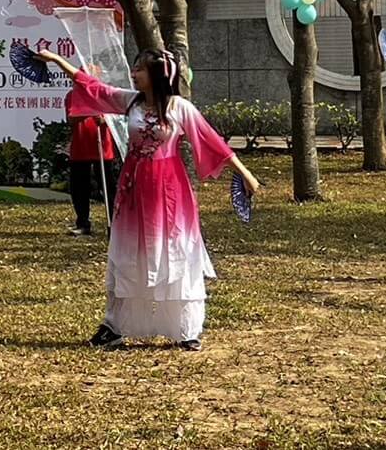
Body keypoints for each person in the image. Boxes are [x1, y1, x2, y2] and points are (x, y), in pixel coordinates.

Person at [38, 48, 259, 351]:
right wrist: (57, 61)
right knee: (128, 252)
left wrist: (246, 174)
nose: (134, 73)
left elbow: (212, 141)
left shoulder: (180, 108)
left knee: (175, 251)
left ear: (156, 75)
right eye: (134, 68)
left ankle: (186, 329)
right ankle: (114, 326)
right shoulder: (130, 101)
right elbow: (92, 86)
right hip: (133, 187)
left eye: (140, 69)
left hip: (169, 191)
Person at [64, 74, 119, 236]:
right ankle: (83, 223)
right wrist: (87, 110)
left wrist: (105, 119)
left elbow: (115, 116)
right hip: (80, 148)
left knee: (108, 187)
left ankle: (115, 223)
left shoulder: (104, 94)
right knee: (79, 188)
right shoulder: (71, 96)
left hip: (102, 148)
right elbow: (71, 120)